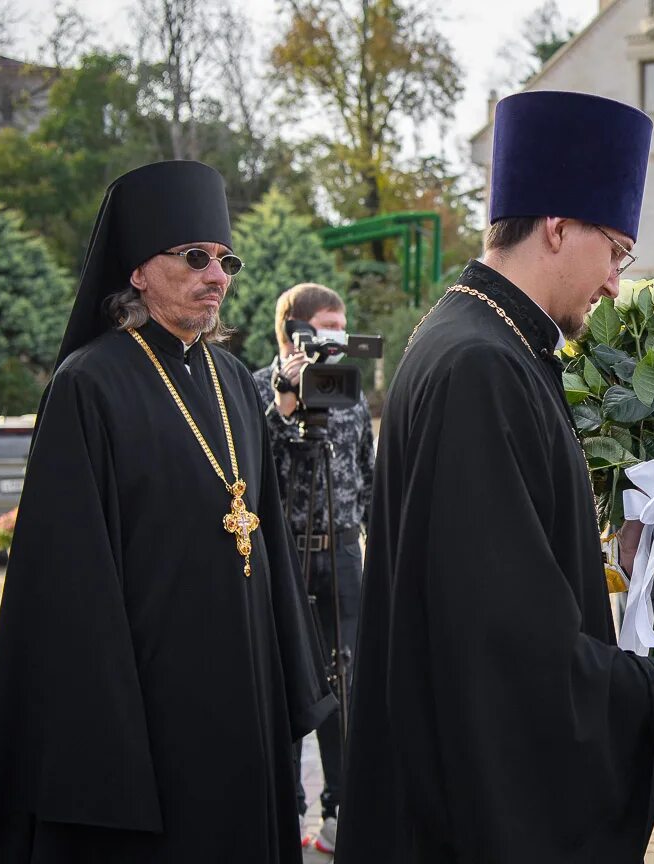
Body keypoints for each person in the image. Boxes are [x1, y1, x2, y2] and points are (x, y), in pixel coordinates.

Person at [338, 90, 654, 863]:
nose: (612, 284)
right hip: (462, 818)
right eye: (617, 252)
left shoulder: (487, 343)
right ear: (560, 227)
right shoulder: (480, 365)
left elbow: (495, 571)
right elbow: (502, 648)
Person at [0, 160, 336, 862]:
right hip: (151, 717)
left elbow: (265, 536)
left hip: (243, 705)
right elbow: (71, 587)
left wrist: (290, 677)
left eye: (226, 260)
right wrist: (110, 737)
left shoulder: (230, 377)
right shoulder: (89, 386)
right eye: (194, 257)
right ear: (138, 269)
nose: (217, 275)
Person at [253, 283, 375, 853]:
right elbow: (253, 471)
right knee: (280, 674)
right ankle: (284, 807)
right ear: (295, 332)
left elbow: (367, 481)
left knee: (344, 682)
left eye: (341, 330)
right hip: (281, 556)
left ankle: (341, 811)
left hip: (343, 553)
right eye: (327, 328)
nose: (337, 341)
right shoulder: (255, 390)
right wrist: (285, 403)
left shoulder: (348, 394)